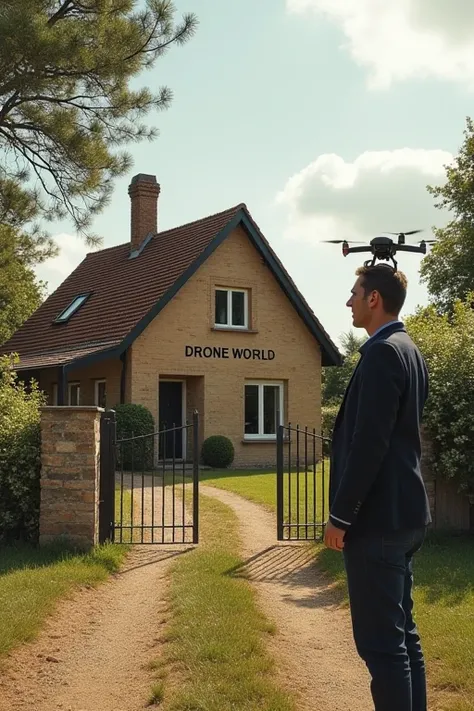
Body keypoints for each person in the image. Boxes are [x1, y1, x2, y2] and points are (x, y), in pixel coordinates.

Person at [324, 263, 431, 711]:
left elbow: (371, 443)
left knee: (381, 646)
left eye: (354, 293)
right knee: (402, 637)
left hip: (379, 521)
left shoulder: (384, 352)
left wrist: (341, 515)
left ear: (373, 299)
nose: (348, 301)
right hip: (405, 515)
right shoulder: (410, 349)